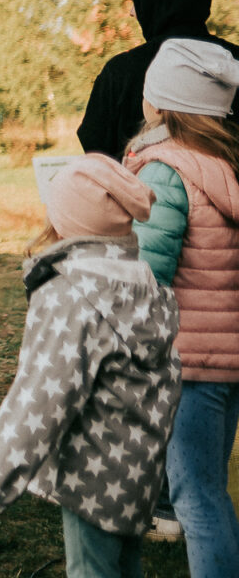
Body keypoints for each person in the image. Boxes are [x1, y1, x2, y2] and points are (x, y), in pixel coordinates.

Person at [0, 154, 182, 578]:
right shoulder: (144, 287)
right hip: (137, 473)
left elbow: (44, 392)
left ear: (67, 221)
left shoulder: (73, 295)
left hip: (92, 476)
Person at [126, 38, 239, 577]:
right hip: (226, 359)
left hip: (187, 362)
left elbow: (147, 275)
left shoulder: (165, 171)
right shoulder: (223, 165)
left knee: (194, 498)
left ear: (161, 103)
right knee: (210, 491)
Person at [78, 0, 239, 160]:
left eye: (134, 2)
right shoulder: (233, 59)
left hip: (139, 190)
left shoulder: (120, 71)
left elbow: (95, 146)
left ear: (151, 2)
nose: (132, 13)